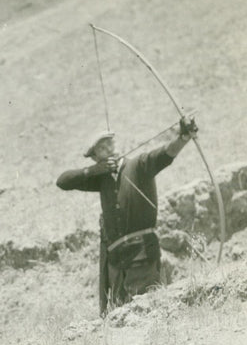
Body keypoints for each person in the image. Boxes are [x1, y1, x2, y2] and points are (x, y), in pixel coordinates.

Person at [56, 116, 199, 315]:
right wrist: (93, 171)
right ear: (96, 157)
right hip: (116, 261)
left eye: (109, 144)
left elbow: (166, 153)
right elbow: (63, 182)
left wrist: (183, 137)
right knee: (120, 318)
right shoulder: (100, 179)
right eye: (101, 149)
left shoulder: (139, 165)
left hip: (142, 253)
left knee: (149, 311)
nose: (107, 150)